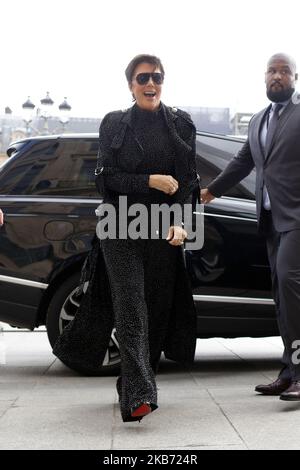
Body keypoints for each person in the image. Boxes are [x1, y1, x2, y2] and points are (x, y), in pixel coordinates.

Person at [53, 54, 200, 422]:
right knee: (131, 309)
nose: (151, 84)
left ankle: (132, 382)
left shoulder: (181, 124)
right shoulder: (114, 124)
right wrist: (149, 180)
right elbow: (105, 180)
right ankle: (139, 395)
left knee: (156, 310)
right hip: (121, 227)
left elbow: (189, 183)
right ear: (130, 85)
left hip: (164, 229)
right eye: (143, 78)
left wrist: (182, 223)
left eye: (157, 77)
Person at [201, 52, 300, 401]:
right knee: (280, 294)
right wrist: (210, 191)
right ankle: (289, 371)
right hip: (272, 221)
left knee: (291, 287)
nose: (277, 76)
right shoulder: (258, 120)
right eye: (272, 71)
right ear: (264, 77)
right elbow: (243, 162)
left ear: (294, 77)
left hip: (298, 220)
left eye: (284, 71)